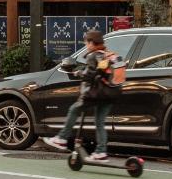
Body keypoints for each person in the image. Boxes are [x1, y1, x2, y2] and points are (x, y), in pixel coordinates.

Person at [44, 29, 125, 160]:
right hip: (112, 93)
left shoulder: (94, 55)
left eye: (87, 43)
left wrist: (79, 73)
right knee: (99, 122)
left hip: (98, 93)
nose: (86, 46)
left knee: (73, 109)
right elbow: (101, 71)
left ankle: (62, 138)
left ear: (92, 43)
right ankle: (101, 152)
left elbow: (91, 74)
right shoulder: (108, 55)